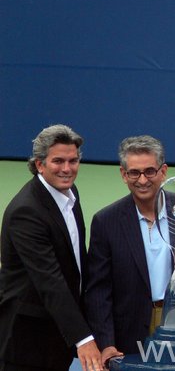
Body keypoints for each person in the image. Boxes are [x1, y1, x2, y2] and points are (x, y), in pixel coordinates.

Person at [84, 135, 175, 366]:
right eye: (134, 173)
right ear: (124, 175)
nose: (142, 180)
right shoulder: (106, 222)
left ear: (163, 171)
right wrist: (107, 343)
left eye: (150, 171)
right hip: (127, 338)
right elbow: (98, 291)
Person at [0, 124, 102, 371]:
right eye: (58, 161)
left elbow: (76, 262)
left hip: (56, 334)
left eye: (73, 161)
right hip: (26, 342)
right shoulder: (26, 212)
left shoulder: (68, 192)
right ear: (39, 164)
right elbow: (50, 281)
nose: (67, 169)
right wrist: (84, 337)